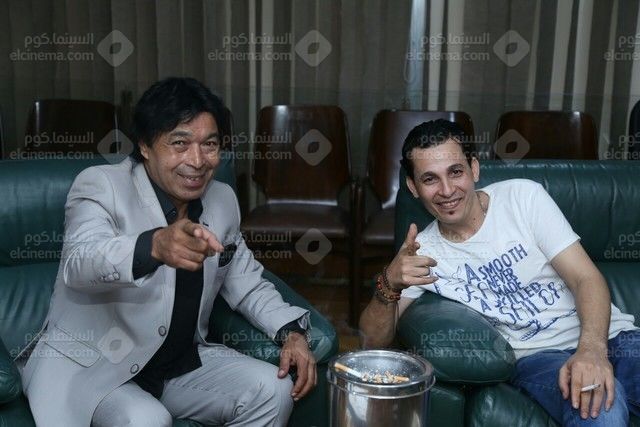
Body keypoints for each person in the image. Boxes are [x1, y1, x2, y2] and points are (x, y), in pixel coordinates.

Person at [18, 77, 316, 427]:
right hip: (98, 369)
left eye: (210, 144)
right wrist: (155, 245)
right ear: (145, 145)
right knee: (148, 419)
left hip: (176, 366)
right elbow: (80, 262)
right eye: (180, 143)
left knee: (273, 389)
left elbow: (246, 283)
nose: (198, 160)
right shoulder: (101, 184)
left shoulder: (222, 199)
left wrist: (292, 333)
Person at [359, 119, 639, 425]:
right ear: (413, 187)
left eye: (456, 172)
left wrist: (592, 351)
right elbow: (372, 343)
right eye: (430, 179)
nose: (447, 190)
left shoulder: (523, 198)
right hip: (540, 359)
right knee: (601, 407)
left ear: (474, 169)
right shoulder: (422, 251)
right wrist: (389, 283)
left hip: (612, 338)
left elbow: (585, 278)